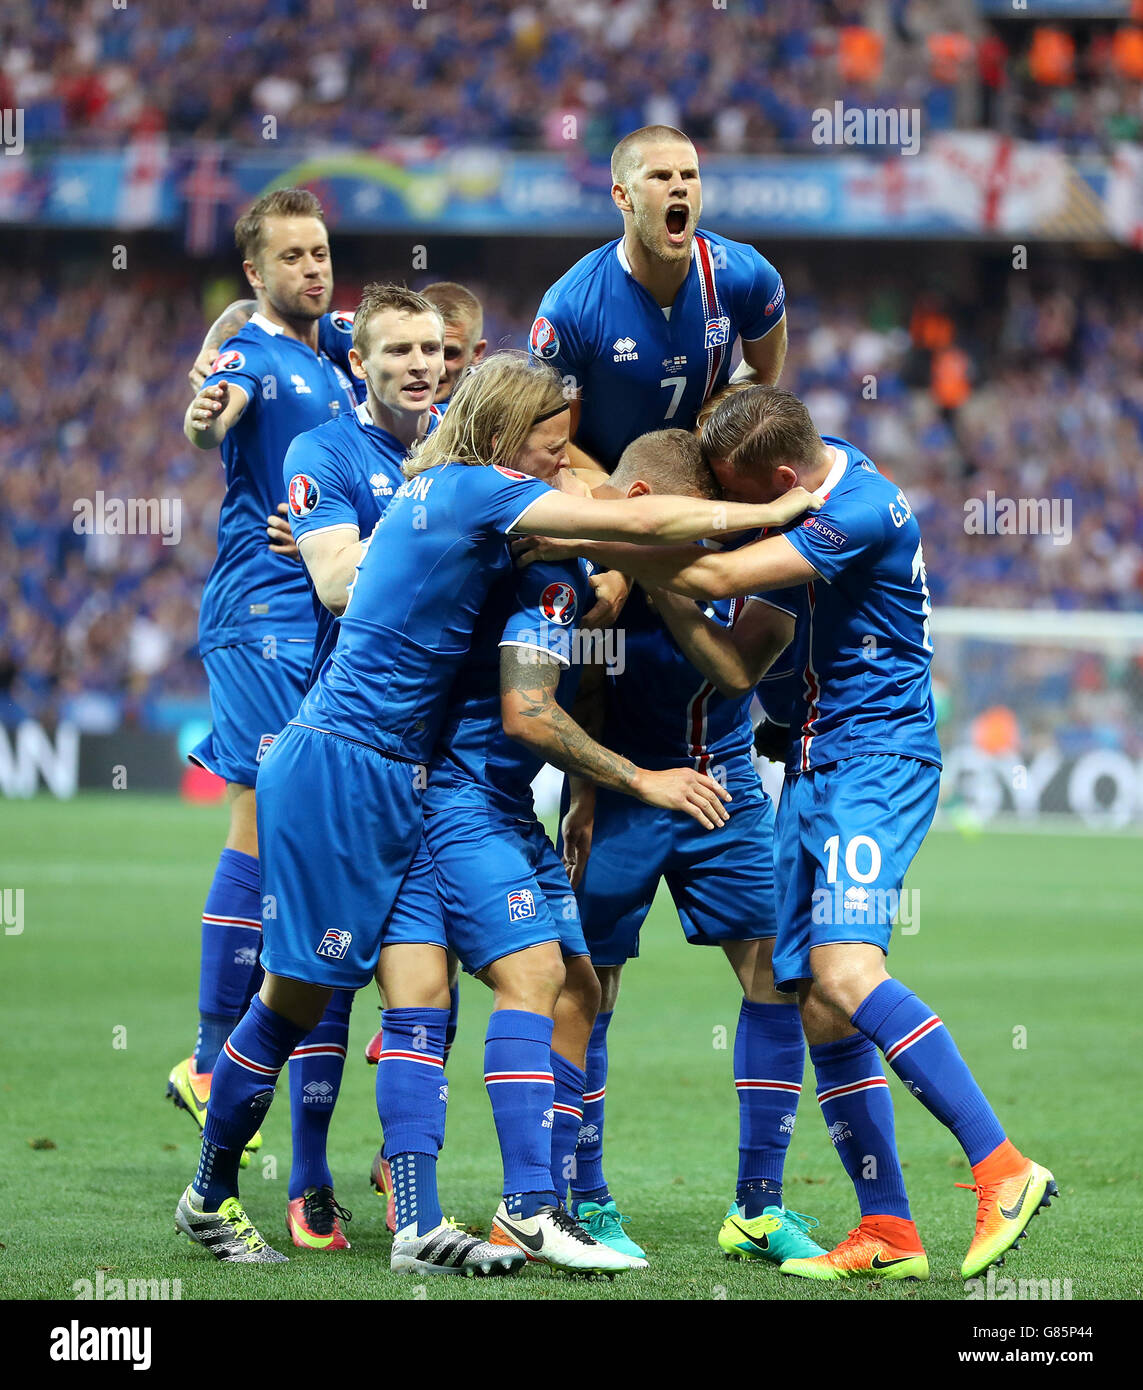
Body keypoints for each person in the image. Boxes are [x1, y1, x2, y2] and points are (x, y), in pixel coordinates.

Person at [172, 355, 818, 1271]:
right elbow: (626, 518)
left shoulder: (455, 494)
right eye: (552, 448)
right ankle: (208, 1193)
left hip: (398, 776)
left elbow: (601, 539)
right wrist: (772, 514)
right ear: (506, 436)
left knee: (428, 991)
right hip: (342, 767)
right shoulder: (476, 490)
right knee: (295, 994)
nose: (561, 465)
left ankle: (431, 1223)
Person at [522, 384, 1056, 1284]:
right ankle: (888, 1227)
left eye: (737, 499)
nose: (733, 519)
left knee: (847, 971)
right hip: (811, 768)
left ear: (775, 478)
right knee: (812, 994)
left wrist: (581, 535)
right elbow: (740, 650)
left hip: (872, 762)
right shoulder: (811, 471)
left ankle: (1001, 1168)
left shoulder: (854, 509)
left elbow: (720, 579)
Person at [555, 428, 827, 1266]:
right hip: (626, 797)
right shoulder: (602, 583)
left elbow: (747, 670)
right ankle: (582, 1197)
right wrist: (584, 802)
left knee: (777, 977)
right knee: (587, 989)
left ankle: (757, 1203)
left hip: (726, 795)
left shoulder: (753, 559)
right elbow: (588, 693)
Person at [167, 189, 357, 1171]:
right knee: (260, 815)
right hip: (261, 613)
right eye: (293, 256)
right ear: (258, 271)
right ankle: (209, 1058)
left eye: (321, 251)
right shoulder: (252, 355)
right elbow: (214, 415)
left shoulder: (339, 344)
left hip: (324, 616)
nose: (314, 268)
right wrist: (205, 407)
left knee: (310, 826)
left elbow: (430, 334)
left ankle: (242, 1059)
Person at [268, 282, 445, 1250]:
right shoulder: (327, 451)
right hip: (348, 743)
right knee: (320, 982)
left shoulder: (461, 445)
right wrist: (445, 524)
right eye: (403, 352)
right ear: (361, 363)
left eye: (436, 353)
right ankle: (301, 1178)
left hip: (444, 758)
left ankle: (408, 1181)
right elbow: (337, 581)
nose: (423, 367)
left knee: (430, 979)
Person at [528, 124, 788, 482]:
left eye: (690, 175)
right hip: (604, 488)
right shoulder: (569, 309)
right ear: (623, 196)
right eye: (661, 176)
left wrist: (710, 429)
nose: (679, 185)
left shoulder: (747, 275)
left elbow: (762, 371)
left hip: (705, 481)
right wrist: (625, 496)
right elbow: (555, 440)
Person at [422, 281, 488, 406]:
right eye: (429, 350)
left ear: (476, 353)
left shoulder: (497, 415)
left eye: (450, 353)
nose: (439, 368)